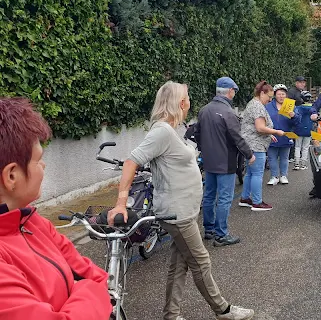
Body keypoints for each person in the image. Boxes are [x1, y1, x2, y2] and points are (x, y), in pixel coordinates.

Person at [107, 82, 254, 320]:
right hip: (177, 213)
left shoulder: (169, 129)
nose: (189, 102)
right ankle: (223, 310)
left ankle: (171, 314)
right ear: (178, 102)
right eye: (186, 98)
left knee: (180, 265)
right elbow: (131, 162)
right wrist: (121, 203)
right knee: (201, 261)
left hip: (183, 211)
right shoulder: (162, 131)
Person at [0, 98, 112, 319]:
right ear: (12, 175)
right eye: (38, 160)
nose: (44, 166)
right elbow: (96, 285)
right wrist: (89, 292)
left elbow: (94, 274)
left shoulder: (31, 221)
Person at [196, 77, 255, 247]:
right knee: (224, 198)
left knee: (209, 195)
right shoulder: (229, 113)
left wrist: (204, 149)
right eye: (234, 91)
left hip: (209, 161)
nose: (234, 94)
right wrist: (249, 154)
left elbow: (198, 134)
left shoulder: (204, 110)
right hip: (226, 162)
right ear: (230, 91)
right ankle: (221, 234)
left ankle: (209, 229)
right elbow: (237, 137)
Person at [239, 81, 284, 211]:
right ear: (262, 93)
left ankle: (245, 198)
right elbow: (260, 128)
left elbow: (255, 127)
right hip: (256, 145)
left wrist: (269, 135)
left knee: (250, 173)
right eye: (269, 97)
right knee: (257, 174)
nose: (270, 100)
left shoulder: (253, 103)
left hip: (249, 144)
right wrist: (275, 131)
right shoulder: (258, 106)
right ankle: (257, 202)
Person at [265, 84, 300, 185]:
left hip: (286, 134)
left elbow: (298, 121)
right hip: (272, 135)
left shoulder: (291, 106)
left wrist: (294, 116)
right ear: (275, 95)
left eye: (283, 94)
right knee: (272, 157)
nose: (281, 96)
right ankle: (274, 176)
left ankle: (283, 175)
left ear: (286, 95)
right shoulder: (268, 106)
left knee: (285, 157)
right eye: (279, 94)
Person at [293, 91, 314, 170]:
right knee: (305, 147)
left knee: (297, 146)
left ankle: (296, 163)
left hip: (298, 129)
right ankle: (303, 164)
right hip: (308, 129)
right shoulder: (312, 108)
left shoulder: (298, 108)